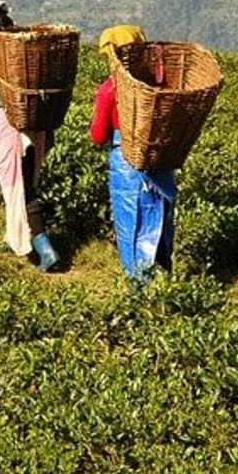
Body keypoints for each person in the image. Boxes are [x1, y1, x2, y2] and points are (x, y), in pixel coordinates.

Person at [0, 0, 58, 272]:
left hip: (3, 125)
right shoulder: (28, 51)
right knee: (29, 180)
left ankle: (45, 248)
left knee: (16, 186)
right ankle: (14, 237)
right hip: (35, 124)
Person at [90, 25, 176, 284]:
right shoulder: (158, 86)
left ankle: (140, 284)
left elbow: (97, 135)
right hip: (161, 163)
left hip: (127, 166)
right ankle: (164, 276)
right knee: (160, 220)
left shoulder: (110, 89)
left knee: (132, 222)